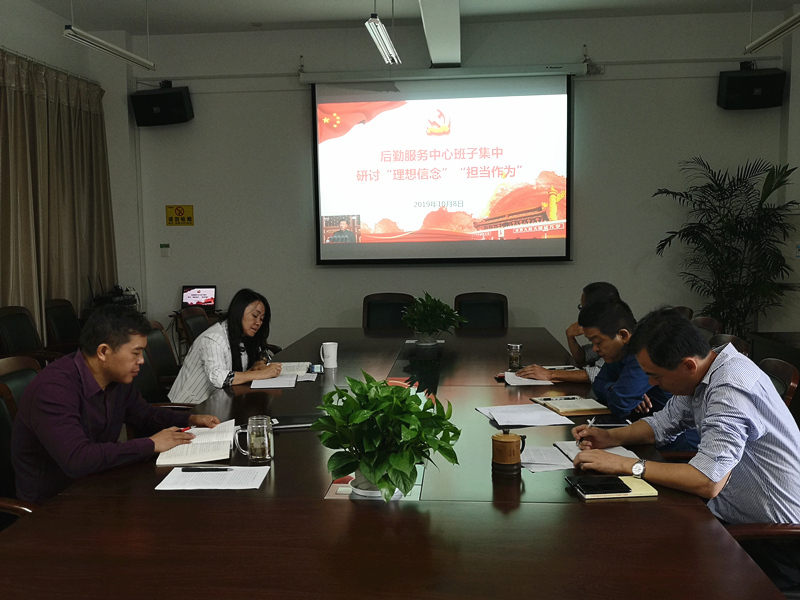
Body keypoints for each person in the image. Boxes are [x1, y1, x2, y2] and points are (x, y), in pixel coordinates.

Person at [572, 307, 800, 590]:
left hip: (773, 542)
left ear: (688, 365)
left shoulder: (730, 388)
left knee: (638, 570)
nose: (651, 384)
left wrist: (627, 465)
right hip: (729, 517)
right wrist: (609, 438)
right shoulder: (707, 369)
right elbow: (662, 423)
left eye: (656, 376)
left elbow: (708, 481)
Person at [11, 305, 220, 504]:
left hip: (100, 484)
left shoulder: (116, 378)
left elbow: (145, 415)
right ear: (103, 351)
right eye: (136, 353)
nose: (142, 361)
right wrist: (151, 444)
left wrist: (190, 419)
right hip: (54, 505)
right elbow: (78, 460)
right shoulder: (53, 389)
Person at [169, 288, 282, 404]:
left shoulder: (241, 335)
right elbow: (218, 378)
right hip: (189, 407)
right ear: (239, 312)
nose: (258, 322)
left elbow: (253, 359)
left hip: (218, 402)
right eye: (255, 315)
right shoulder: (214, 338)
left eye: (262, 319)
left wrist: (256, 366)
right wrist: (260, 374)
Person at [517, 281, 619, 383]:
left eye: (583, 308)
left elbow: (599, 373)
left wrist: (549, 374)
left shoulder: (617, 333)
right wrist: (570, 336)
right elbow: (582, 359)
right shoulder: (605, 327)